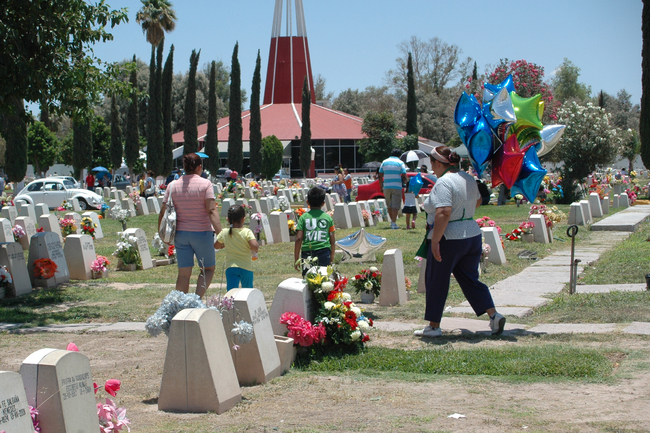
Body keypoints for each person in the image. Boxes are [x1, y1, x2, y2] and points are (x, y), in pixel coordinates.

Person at [416, 146, 506, 338]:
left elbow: (443, 211)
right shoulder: (468, 178)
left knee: (437, 280)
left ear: (438, 163)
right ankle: (494, 315)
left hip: (449, 237)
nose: (432, 168)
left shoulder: (444, 182)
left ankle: (433, 326)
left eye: (432, 163)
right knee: (470, 280)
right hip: (471, 234)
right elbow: (478, 201)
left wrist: (435, 241)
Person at [158, 153, 222, 298]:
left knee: (183, 274)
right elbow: (211, 210)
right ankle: (196, 299)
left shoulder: (172, 185)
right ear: (200, 167)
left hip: (181, 234)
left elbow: (163, 212)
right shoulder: (205, 184)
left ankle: (181, 303)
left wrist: (162, 234)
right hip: (202, 233)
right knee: (208, 269)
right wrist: (221, 233)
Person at [215, 205, 259, 291]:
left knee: (231, 292)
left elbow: (216, 246)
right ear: (243, 219)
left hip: (231, 267)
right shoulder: (247, 232)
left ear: (228, 219)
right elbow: (255, 247)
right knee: (247, 292)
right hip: (246, 267)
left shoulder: (224, 232)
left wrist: (223, 245)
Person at [294, 187, 336, 275]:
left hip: (307, 252)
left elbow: (298, 238)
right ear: (323, 203)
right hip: (324, 250)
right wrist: (331, 256)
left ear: (307, 202)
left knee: (308, 277)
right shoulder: (328, 218)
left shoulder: (303, 218)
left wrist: (296, 258)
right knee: (324, 276)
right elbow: (332, 241)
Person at [378, 148, 407, 229]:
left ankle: (392, 222)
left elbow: (380, 175)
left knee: (389, 205)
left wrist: (381, 186)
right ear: (399, 155)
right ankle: (393, 223)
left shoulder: (384, 162)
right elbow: (404, 175)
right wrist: (407, 184)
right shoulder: (400, 162)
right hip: (397, 186)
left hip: (386, 186)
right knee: (395, 205)